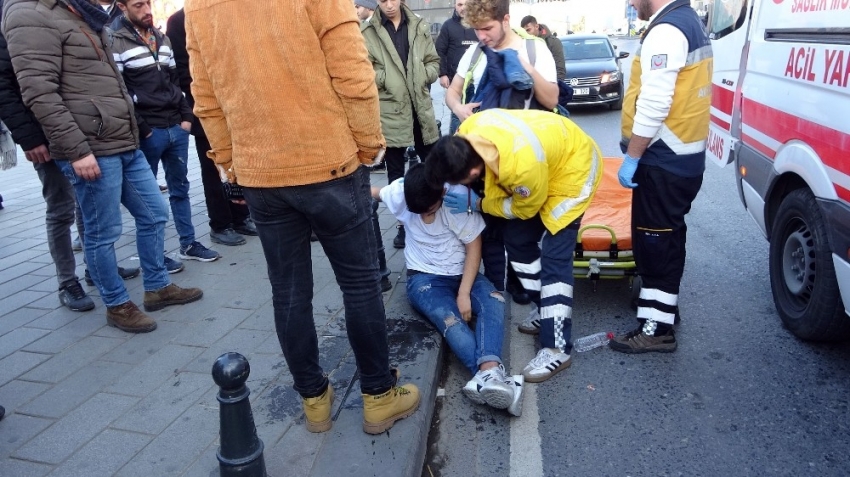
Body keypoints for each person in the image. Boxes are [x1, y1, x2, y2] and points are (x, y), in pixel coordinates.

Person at [184, 0, 419, 434]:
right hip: (329, 161)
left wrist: (229, 158)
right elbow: (352, 72)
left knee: (289, 293)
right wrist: (368, 143)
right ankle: (378, 397)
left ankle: (314, 401)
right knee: (360, 284)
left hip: (261, 172)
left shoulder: (199, 6)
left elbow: (206, 94)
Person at [3, 0, 204, 333]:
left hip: (123, 140)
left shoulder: (84, 14)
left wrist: (137, 128)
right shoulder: (30, 13)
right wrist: (76, 150)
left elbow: (114, 81)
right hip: (90, 147)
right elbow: (39, 91)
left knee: (155, 213)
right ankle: (117, 304)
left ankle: (157, 287)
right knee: (101, 233)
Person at [426, 108, 603, 383]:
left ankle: (557, 347)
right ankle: (545, 309)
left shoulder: (521, 169)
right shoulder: (467, 133)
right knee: (518, 241)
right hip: (549, 158)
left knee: (555, 259)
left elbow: (523, 209)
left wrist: (480, 204)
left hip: (573, 173)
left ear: (473, 171)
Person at [0, 2, 142, 312]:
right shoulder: (14, 12)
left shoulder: (59, 10)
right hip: (42, 131)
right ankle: (67, 280)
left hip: (74, 127)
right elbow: (6, 86)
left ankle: (97, 270)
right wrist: (29, 136)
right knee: (60, 206)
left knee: (85, 203)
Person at [374, 163, 523, 415]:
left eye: (429, 210)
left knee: (495, 300)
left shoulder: (456, 201)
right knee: (451, 320)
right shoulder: (400, 192)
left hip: (463, 273)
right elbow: (374, 191)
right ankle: (493, 378)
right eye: (416, 212)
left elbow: (474, 247)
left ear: (441, 195)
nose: (423, 217)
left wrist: (464, 292)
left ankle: (487, 375)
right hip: (424, 279)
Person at [610, 0, 712, 353]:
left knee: (655, 245)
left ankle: (655, 330)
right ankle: (664, 311)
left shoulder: (667, 30)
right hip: (683, 158)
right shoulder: (688, 21)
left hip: (663, 160)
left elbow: (655, 102)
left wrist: (632, 157)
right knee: (669, 238)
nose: (631, 3)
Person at [445, 0, 560, 306]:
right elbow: (452, 92)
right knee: (490, 225)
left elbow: (551, 99)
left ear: (506, 19)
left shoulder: (534, 50)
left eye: (487, 28)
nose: (481, 36)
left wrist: (524, 67)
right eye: (476, 29)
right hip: (482, 159)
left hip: (521, 163)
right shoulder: (474, 53)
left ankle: (522, 283)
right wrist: (459, 108)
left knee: (520, 225)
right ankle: (497, 286)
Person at [112, 0, 221, 265]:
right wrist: (144, 128)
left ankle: (188, 243)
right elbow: (120, 91)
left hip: (175, 126)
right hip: (149, 131)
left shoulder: (160, 38)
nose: (147, 10)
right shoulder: (116, 41)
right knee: (148, 203)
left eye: (148, 3)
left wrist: (185, 117)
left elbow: (176, 79)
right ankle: (156, 257)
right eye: (139, 5)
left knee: (180, 189)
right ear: (122, 6)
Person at [166, 8, 256, 247]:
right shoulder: (179, 21)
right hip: (206, 108)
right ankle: (220, 224)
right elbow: (184, 71)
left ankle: (241, 217)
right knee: (213, 170)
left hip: (234, 106)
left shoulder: (223, 12)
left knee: (238, 165)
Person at [361, 0, 441, 249]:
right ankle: (403, 226)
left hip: (420, 109)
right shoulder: (367, 31)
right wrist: (390, 80)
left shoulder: (419, 25)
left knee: (432, 166)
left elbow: (433, 62)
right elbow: (364, 68)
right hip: (392, 109)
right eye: (382, 0)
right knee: (396, 173)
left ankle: (435, 216)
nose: (388, 5)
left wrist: (420, 76)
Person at [435, 0, 478, 135]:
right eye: (460, 5)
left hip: (477, 81)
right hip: (456, 81)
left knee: (476, 115)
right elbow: (439, 51)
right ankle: (454, 147)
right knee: (456, 115)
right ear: (455, 6)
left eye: (466, 4)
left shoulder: (479, 24)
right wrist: (442, 74)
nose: (463, 8)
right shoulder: (448, 26)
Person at [520, 15, 567, 82]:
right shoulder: (523, 43)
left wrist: (555, 88)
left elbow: (560, 70)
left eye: (528, 30)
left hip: (550, 86)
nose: (527, 33)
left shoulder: (553, 42)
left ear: (536, 26)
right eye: (524, 31)